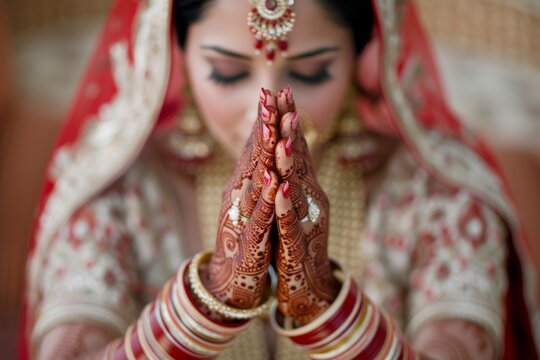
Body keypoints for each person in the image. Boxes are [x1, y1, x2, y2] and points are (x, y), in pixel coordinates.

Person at [20, 0, 539, 358]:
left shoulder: (437, 195)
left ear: (361, 58)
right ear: (174, 54)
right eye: (227, 72)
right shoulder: (119, 191)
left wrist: (327, 307)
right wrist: (210, 298)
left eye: (311, 73)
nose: (264, 105)